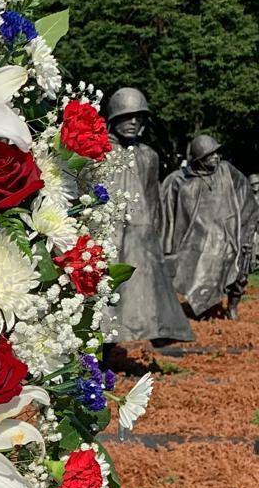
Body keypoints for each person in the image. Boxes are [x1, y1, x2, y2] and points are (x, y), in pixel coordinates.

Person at [101, 88, 192, 348]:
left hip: (141, 235)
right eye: (127, 116)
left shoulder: (149, 156)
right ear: (114, 118)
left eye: (139, 118)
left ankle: (158, 331)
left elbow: (154, 199)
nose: (133, 122)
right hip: (110, 232)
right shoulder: (101, 150)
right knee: (107, 292)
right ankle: (103, 347)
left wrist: (159, 239)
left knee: (144, 290)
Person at [162, 135, 253, 319]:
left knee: (238, 273)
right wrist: (167, 247)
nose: (216, 157)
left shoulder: (227, 171)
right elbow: (167, 215)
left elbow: (246, 196)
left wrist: (245, 228)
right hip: (199, 241)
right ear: (199, 158)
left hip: (229, 236)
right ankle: (204, 311)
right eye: (210, 155)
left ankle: (232, 307)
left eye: (217, 153)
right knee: (201, 277)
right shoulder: (180, 180)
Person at [225, 172, 259, 320]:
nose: (255, 188)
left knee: (242, 276)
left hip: (251, 241)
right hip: (236, 239)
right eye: (252, 185)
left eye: (257, 185)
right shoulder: (240, 200)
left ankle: (232, 307)